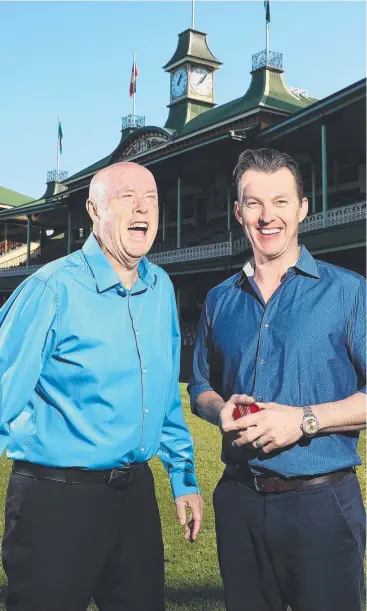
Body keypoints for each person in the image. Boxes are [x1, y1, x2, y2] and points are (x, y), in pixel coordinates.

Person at [0, 161, 203, 611]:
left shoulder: (161, 287)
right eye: (127, 195)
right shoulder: (51, 289)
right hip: (57, 501)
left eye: (151, 198)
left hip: (135, 500)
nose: (142, 207)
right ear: (94, 210)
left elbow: (166, 394)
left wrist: (184, 478)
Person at [188, 148, 366, 611]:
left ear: (303, 208)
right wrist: (217, 407)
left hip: (321, 505)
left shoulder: (347, 291)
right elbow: (200, 387)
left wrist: (303, 420)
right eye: (254, 203)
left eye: (281, 202)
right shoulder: (219, 300)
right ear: (238, 212)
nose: (268, 217)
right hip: (239, 502)